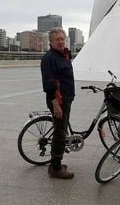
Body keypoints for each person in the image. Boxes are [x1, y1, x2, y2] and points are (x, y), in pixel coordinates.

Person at [41, 27, 75, 179]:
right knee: (60, 133)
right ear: (51, 42)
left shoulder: (62, 55)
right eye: (57, 39)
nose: (61, 42)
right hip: (58, 101)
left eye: (62, 39)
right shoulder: (50, 58)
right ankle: (55, 167)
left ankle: (56, 163)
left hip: (66, 99)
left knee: (60, 130)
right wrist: (55, 105)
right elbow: (49, 84)